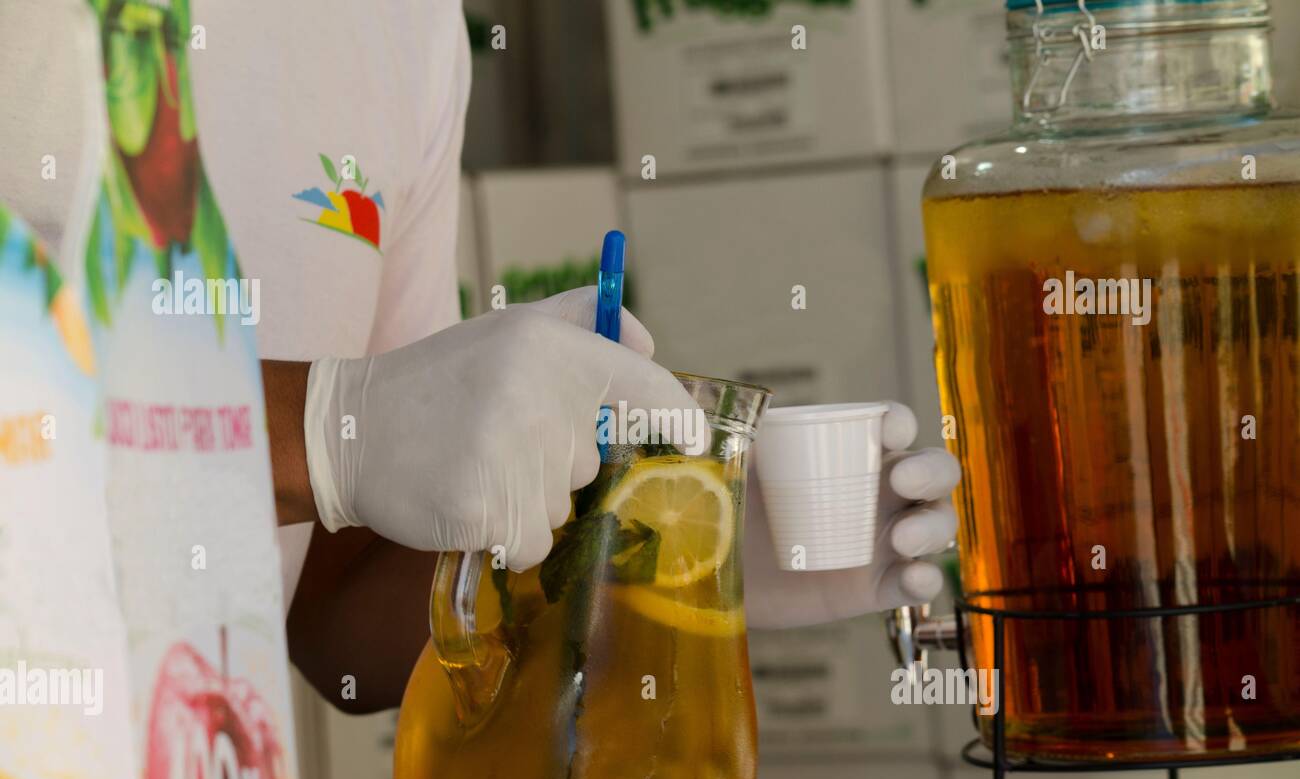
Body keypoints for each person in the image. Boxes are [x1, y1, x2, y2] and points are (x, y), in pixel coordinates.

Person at [2, 0, 959, 718]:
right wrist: (325, 430)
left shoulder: (402, 29)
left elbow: (335, 613)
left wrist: (652, 543)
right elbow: (334, 450)